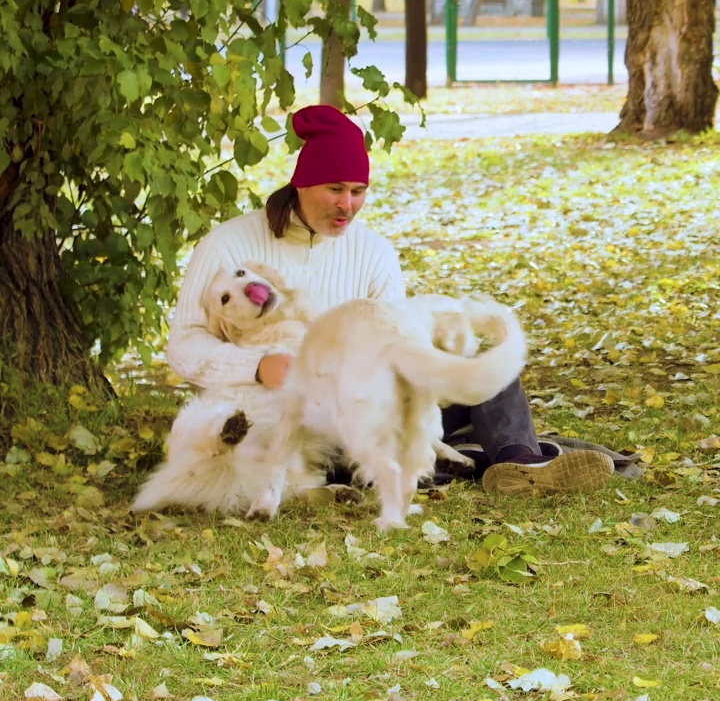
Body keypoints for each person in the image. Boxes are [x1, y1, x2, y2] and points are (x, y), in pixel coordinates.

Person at [167, 105, 613, 495]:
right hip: (285, 417)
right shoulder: (227, 247)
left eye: (358, 191)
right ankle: (449, 460)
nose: (347, 205)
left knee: (484, 367)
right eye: (335, 189)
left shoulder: (373, 251)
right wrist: (258, 367)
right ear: (302, 183)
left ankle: (522, 465)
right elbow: (184, 345)